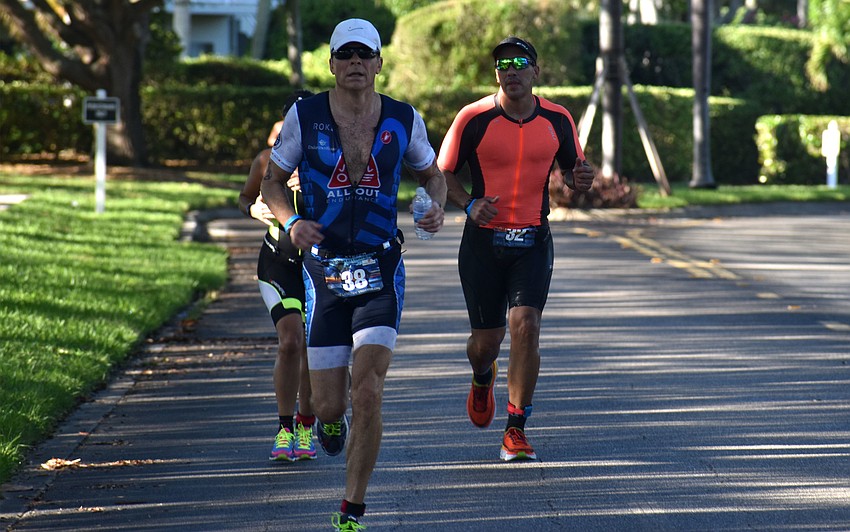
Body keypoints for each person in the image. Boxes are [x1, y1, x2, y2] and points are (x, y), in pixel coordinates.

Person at [260, 18, 447, 530]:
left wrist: (435, 205)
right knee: (327, 407)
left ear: (380, 63)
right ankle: (327, 422)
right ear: (332, 64)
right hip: (323, 275)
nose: (356, 63)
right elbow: (272, 182)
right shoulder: (306, 115)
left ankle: (352, 509)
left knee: (369, 387)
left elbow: (432, 173)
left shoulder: (404, 119)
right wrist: (291, 220)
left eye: (365, 54)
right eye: (346, 55)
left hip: (381, 268)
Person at [437, 36, 595, 462]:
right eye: (503, 64)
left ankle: (515, 427)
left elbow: (573, 171)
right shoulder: (473, 117)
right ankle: (481, 375)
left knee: (526, 325)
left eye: (519, 62)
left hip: (532, 239)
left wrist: (581, 181)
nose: (511, 70)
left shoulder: (558, 119)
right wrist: (469, 203)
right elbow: (441, 172)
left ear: (535, 71)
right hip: (483, 244)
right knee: (485, 344)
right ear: (496, 74)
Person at [238, 89, 316, 462]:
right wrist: (255, 210)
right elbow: (244, 198)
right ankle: (286, 427)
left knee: (315, 348)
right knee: (290, 341)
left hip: (321, 265)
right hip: (278, 261)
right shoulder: (267, 161)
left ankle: (309, 422)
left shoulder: (334, 163)